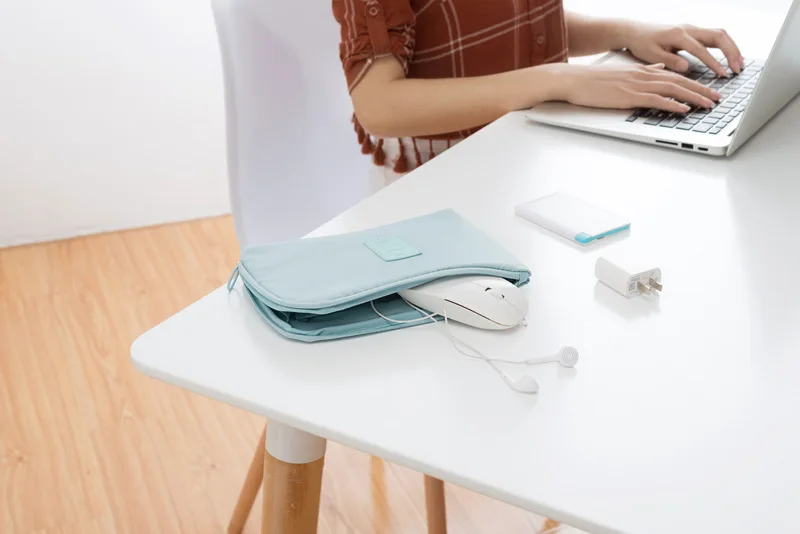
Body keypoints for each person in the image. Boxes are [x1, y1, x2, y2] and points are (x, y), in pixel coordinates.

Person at [331, 0, 742, 184]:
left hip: (527, 147)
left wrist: (623, 32)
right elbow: (378, 105)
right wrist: (559, 79)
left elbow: (512, 23)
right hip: (441, 176)